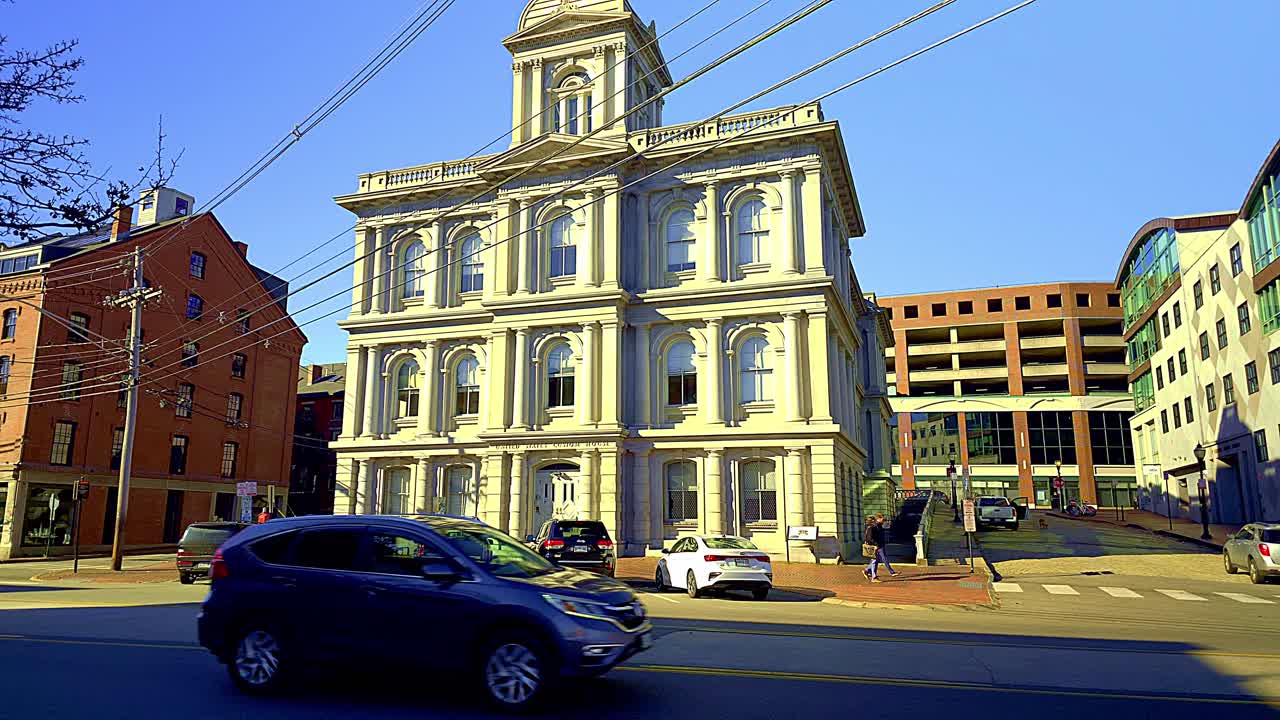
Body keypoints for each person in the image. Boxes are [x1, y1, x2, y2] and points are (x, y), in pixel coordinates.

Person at [863, 513, 898, 582]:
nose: (884, 521)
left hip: (879, 545)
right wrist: (876, 544)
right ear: (878, 519)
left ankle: (867, 571)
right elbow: (869, 538)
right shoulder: (872, 526)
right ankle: (874, 577)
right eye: (883, 519)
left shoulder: (878, 526)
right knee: (875, 561)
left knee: (875, 560)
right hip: (876, 546)